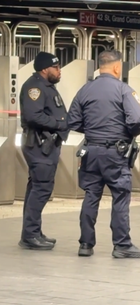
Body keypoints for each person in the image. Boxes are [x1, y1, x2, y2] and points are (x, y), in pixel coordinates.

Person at [67, 50, 140, 258]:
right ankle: (122, 245)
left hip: (90, 151)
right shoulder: (123, 90)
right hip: (115, 153)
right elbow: (137, 120)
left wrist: (94, 132)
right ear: (117, 67)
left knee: (91, 196)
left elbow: (73, 121)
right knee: (120, 196)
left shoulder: (85, 90)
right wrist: (126, 133)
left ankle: (85, 244)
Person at [18, 51, 69, 250]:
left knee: (37, 188)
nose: (59, 71)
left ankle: (33, 232)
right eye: (56, 67)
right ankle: (30, 236)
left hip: (45, 145)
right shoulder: (35, 87)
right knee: (41, 189)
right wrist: (58, 124)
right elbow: (33, 116)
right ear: (44, 69)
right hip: (39, 145)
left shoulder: (46, 86)